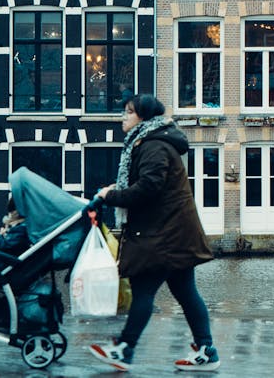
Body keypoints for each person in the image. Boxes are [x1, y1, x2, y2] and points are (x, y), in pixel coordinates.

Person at [89, 93, 220, 373]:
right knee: (185, 292)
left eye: (128, 112)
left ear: (143, 117)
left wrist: (112, 196)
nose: (123, 117)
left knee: (144, 290)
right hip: (172, 231)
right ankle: (206, 350)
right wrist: (116, 189)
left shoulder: (153, 145)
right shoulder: (151, 142)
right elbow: (148, 181)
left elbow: (149, 187)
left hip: (164, 235)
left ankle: (125, 348)